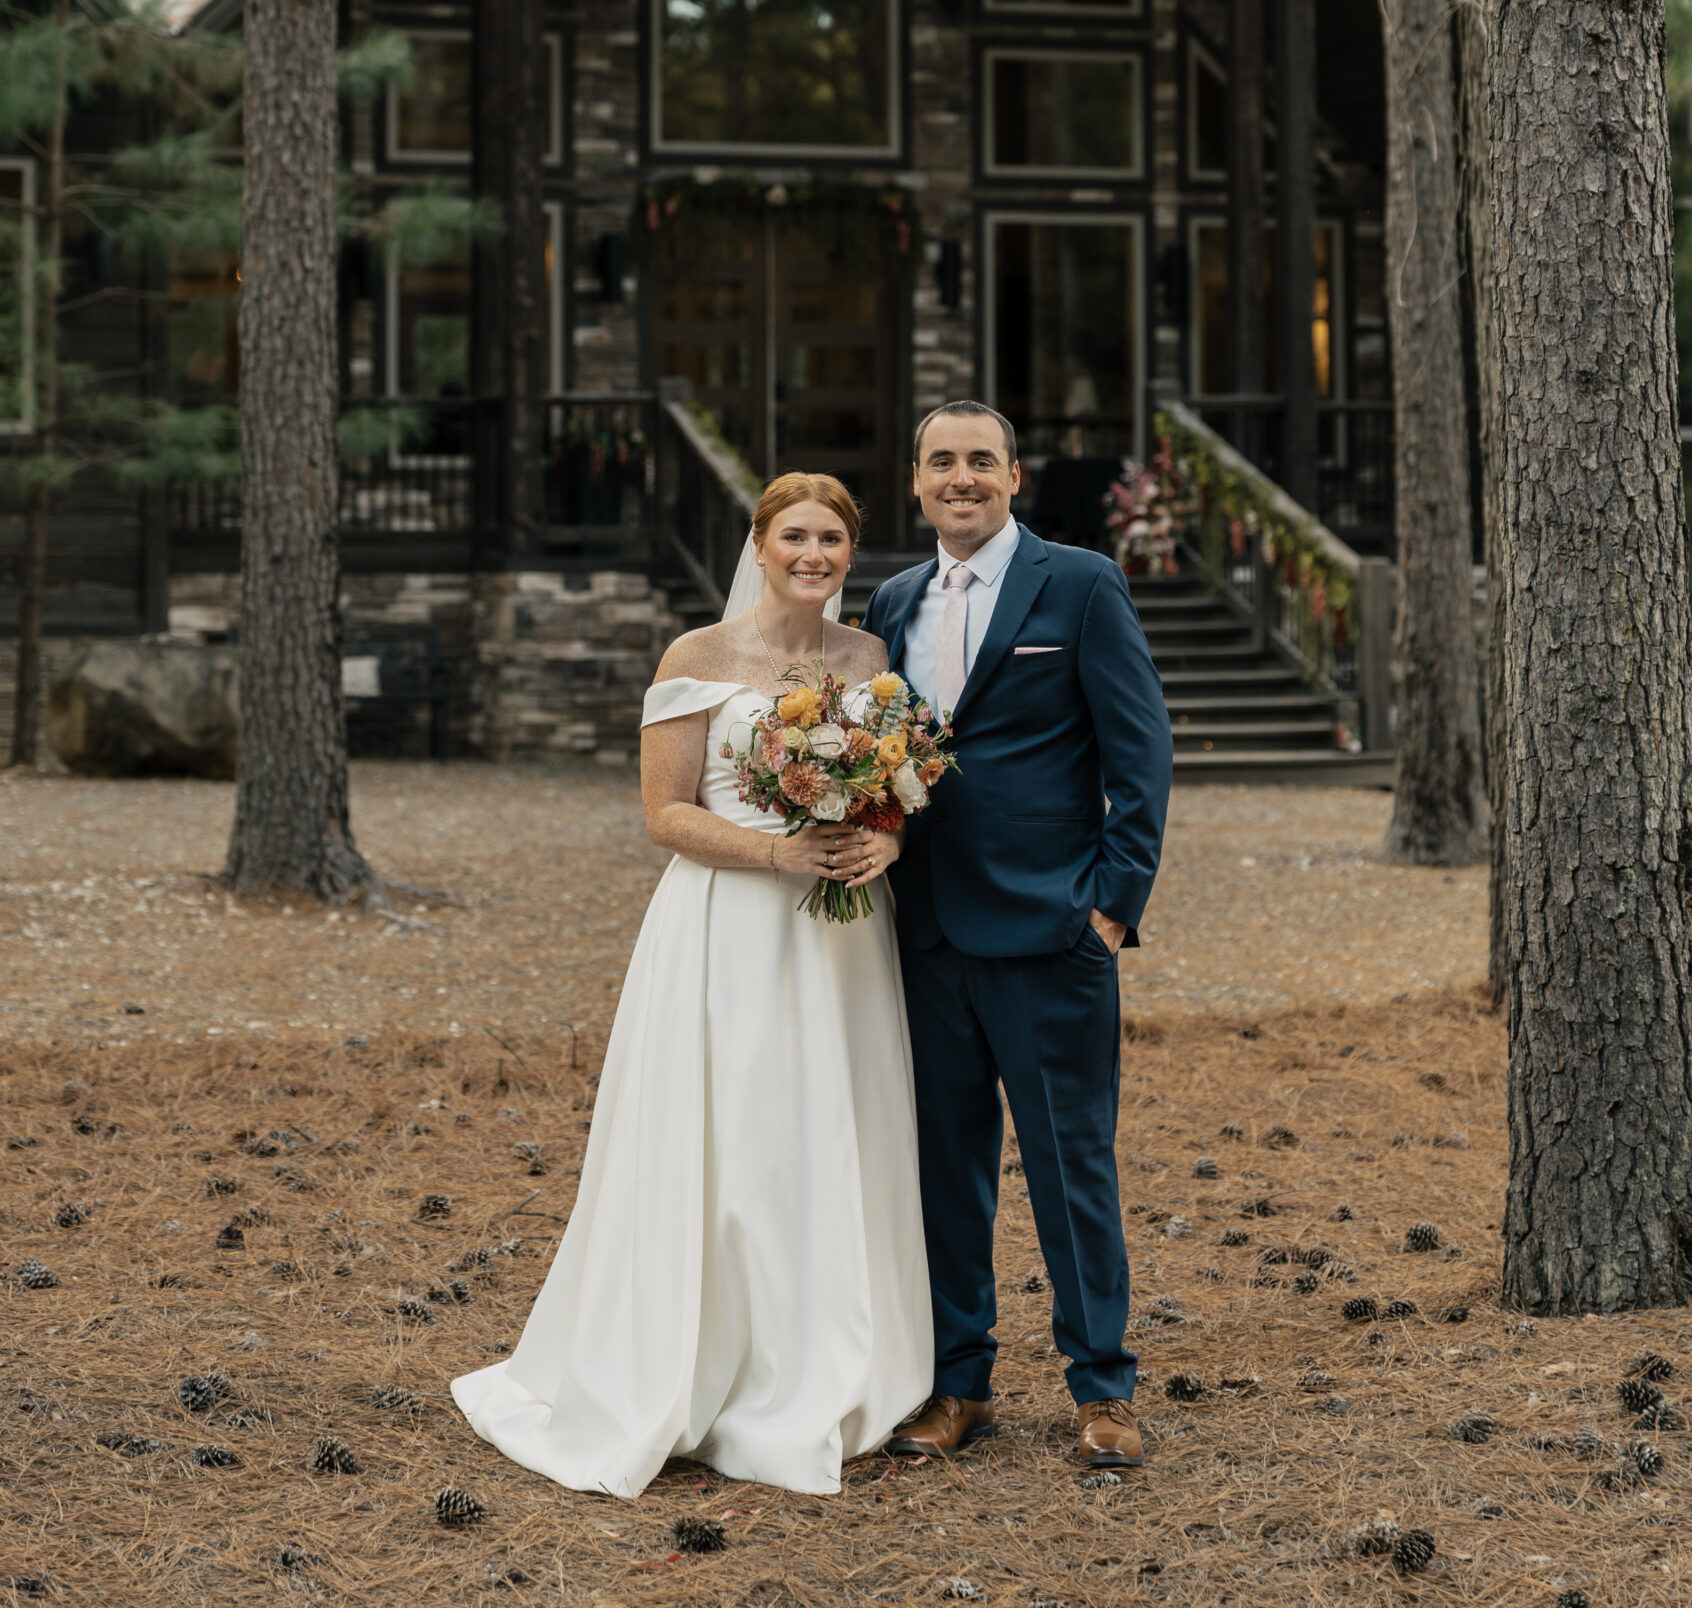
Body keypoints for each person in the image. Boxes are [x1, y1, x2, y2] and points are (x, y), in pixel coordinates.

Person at [450, 471, 932, 1498]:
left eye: (834, 540)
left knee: (828, 1130)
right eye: (795, 535)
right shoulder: (696, 658)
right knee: (735, 1133)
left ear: (852, 554)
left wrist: (881, 844)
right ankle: (697, 1364)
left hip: (842, 936)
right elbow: (664, 813)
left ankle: (823, 1357)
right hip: (728, 928)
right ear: (758, 546)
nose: (815, 554)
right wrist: (776, 855)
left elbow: (889, 792)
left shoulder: (869, 660)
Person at [865, 402, 1173, 1471]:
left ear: (1013, 476)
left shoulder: (1079, 583)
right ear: (917, 482)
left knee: (1068, 1164)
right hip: (927, 936)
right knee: (945, 1169)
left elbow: (1140, 749)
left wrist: (1113, 906)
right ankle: (960, 1384)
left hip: (1051, 932)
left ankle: (1102, 1386)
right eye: (942, 461)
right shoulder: (893, 599)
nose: (962, 477)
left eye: (980, 461)